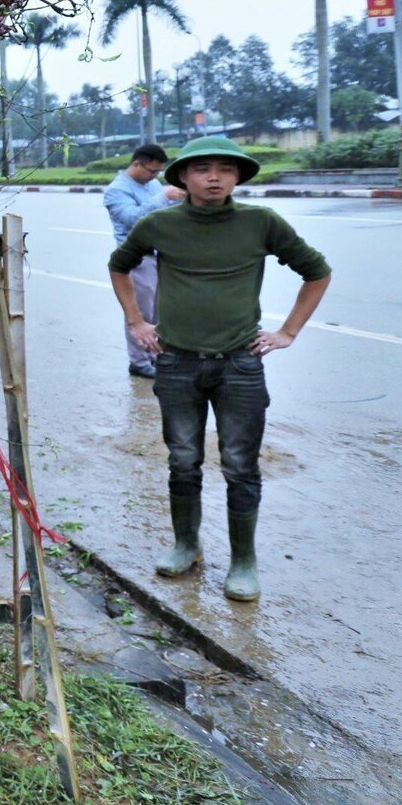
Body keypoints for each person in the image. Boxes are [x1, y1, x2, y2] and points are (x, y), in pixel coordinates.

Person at [106, 137, 331, 603]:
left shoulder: (260, 222)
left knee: (240, 465)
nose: (214, 177)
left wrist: (287, 332)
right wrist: (136, 322)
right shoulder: (160, 224)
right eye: (203, 168)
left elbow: (316, 271)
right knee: (183, 458)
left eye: (226, 169)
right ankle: (186, 545)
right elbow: (119, 265)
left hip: (239, 364)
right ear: (183, 178)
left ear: (237, 177)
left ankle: (243, 560)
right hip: (177, 362)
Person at [102, 144, 182, 378]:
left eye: (158, 172)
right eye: (152, 170)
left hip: (159, 254)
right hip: (137, 258)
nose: (155, 176)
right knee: (139, 312)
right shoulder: (117, 190)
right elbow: (132, 219)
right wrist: (163, 197)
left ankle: (154, 355)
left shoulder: (152, 184)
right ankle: (138, 361)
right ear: (136, 164)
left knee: (158, 312)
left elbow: (164, 213)